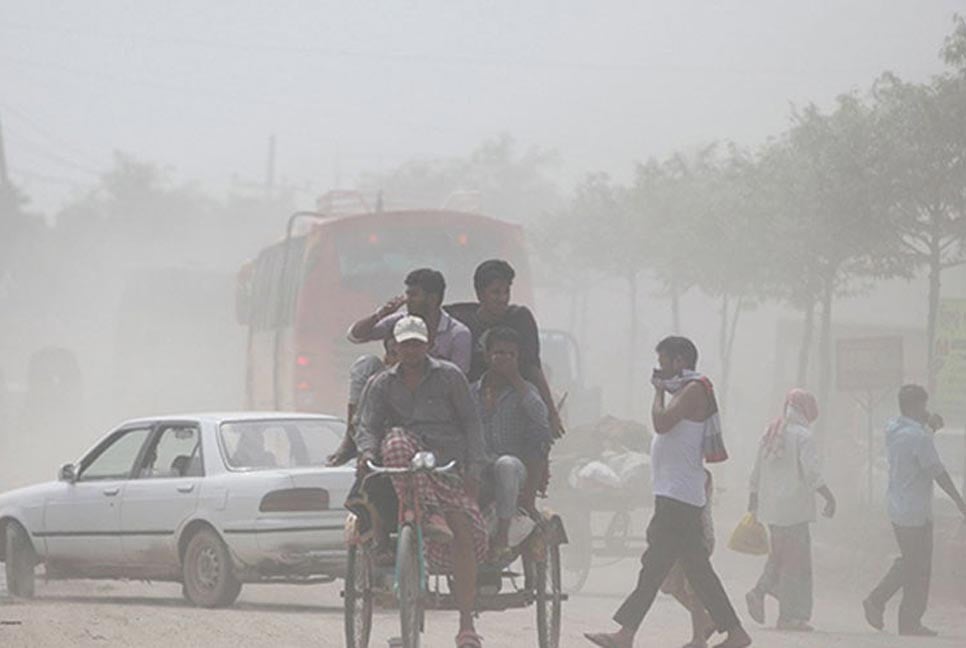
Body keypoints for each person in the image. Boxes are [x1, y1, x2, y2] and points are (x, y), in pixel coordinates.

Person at [585, 336, 751, 648]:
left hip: (679, 495)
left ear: (679, 361)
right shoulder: (688, 390)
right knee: (693, 568)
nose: (659, 369)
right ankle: (734, 631)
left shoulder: (694, 389)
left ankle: (625, 634)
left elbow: (661, 423)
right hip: (676, 493)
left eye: (663, 362)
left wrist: (658, 392)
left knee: (655, 566)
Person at [355, 315, 488, 648]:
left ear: (428, 345)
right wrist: (366, 453)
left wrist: (474, 468)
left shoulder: (450, 377)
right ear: (394, 347)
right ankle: (426, 518)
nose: (411, 349)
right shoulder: (381, 383)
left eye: (417, 343)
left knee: (464, 533)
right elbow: (368, 425)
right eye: (405, 344)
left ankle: (466, 624)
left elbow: (472, 424)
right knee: (395, 440)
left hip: (445, 466)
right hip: (404, 474)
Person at [863, 384, 966, 637]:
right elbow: (936, 470)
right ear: (913, 406)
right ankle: (891, 609)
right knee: (918, 567)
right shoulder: (916, 436)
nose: (925, 409)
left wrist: (929, 428)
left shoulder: (895, 430)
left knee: (912, 563)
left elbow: (915, 450)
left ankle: (895, 613)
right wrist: (958, 500)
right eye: (922, 405)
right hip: (916, 513)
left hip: (900, 508)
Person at [745, 389, 836, 632]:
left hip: (773, 511)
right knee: (796, 566)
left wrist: (753, 500)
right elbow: (812, 472)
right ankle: (789, 616)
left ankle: (761, 591)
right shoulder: (804, 436)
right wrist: (829, 497)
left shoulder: (771, 432)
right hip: (795, 511)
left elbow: (755, 471)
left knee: (780, 557)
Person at [448, 259, 565, 438]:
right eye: (496, 292)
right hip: (476, 402)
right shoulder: (462, 322)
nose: (502, 299)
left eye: (506, 292)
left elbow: (533, 367)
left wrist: (551, 413)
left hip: (516, 397)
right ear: (480, 294)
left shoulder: (520, 319)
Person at [471, 326, 552, 561]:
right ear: (487, 356)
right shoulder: (471, 392)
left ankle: (502, 537)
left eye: (511, 354)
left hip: (514, 468)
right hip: (479, 466)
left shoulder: (526, 392)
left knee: (505, 465)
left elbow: (540, 416)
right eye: (498, 353)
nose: (504, 358)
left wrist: (516, 379)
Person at [348, 268, 471, 374]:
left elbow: (459, 377)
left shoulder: (458, 334)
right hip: (395, 389)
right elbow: (355, 336)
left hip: (436, 396)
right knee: (366, 364)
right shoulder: (399, 321)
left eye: (414, 295)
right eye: (407, 295)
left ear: (433, 299)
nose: (408, 300)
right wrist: (380, 315)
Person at [661, 469, 716, 648]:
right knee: (671, 585)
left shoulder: (699, 475)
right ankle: (706, 622)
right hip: (680, 537)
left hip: (696, 536)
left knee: (692, 588)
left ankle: (699, 638)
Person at [327, 335, 399, 466]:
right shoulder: (380, 383)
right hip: (383, 437)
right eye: (394, 354)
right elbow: (369, 425)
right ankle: (349, 441)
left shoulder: (442, 376)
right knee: (367, 363)